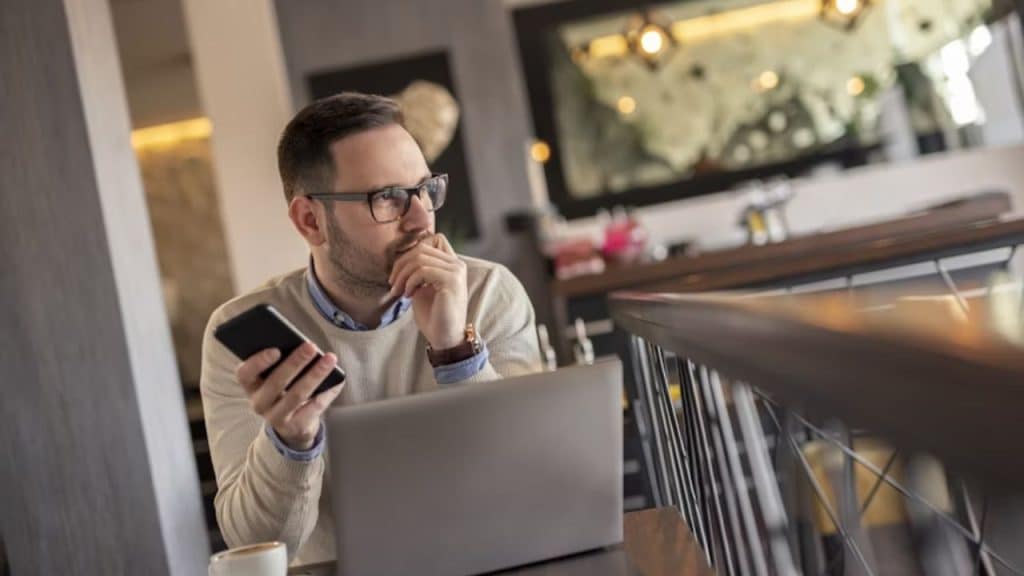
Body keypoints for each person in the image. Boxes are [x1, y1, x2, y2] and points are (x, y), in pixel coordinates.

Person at [200, 92, 542, 565]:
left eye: (425, 189)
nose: (422, 217)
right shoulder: (244, 334)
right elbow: (255, 542)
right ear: (310, 220)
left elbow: (533, 489)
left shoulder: (487, 293)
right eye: (388, 198)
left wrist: (454, 353)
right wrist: (291, 442)